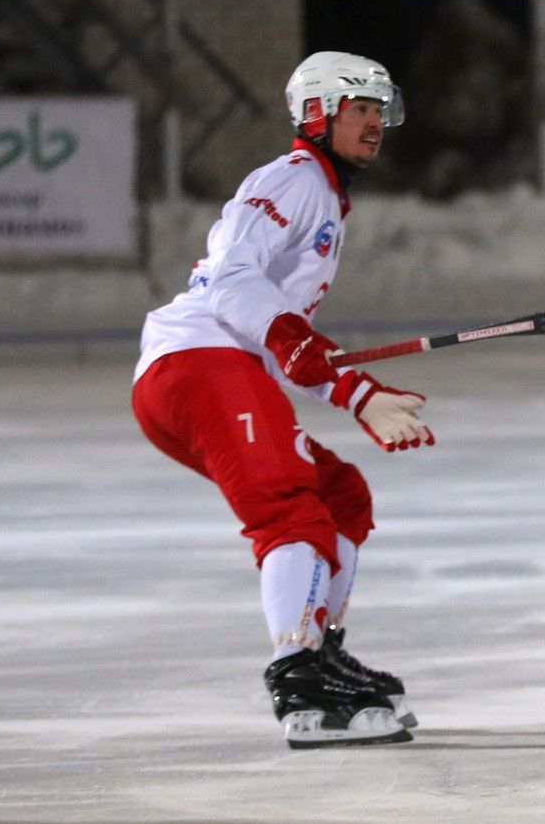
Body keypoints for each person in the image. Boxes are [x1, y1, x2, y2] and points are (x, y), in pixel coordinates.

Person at [131, 52, 433, 748]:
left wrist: (356, 391)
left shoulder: (324, 197)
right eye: (360, 109)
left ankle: (320, 651)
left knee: (341, 495)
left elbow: (280, 341)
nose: (375, 124)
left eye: (379, 112)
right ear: (318, 113)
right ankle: (298, 678)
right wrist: (338, 379)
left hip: (218, 365)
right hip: (196, 361)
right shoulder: (294, 179)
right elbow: (234, 285)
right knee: (290, 505)